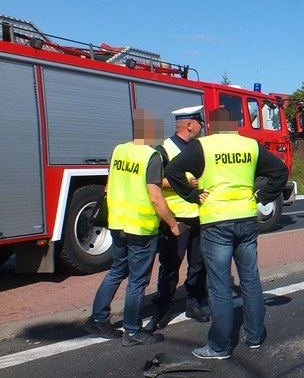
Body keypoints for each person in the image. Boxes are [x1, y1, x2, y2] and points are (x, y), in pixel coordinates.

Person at [166, 108, 289, 360]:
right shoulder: (250, 146)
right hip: (246, 218)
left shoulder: (202, 146)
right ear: (235, 124)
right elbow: (280, 171)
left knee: (220, 286)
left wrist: (191, 196)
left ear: (211, 124)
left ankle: (219, 346)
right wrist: (263, 197)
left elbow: (173, 172)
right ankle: (254, 337)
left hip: (216, 221)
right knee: (250, 281)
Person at [83, 109, 188, 346]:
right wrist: (172, 224)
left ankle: (98, 318)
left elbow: (109, 185)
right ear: (152, 131)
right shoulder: (152, 156)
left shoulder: (119, 150)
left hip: (118, 223)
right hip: (141, 227)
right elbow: (155, 197)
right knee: (138, 280)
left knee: (117, 271)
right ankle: (131, 331)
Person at [149, 105, 209, 330]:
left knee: (198, 263)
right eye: (199, 123)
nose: (202, 127)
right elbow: (155, 181)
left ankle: (194, 302)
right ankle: (163, 306)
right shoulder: (163, 149)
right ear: (190, 125)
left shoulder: (200, 147)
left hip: (199, 215)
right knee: (170, 265)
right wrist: (182, 182)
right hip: (175, 217)